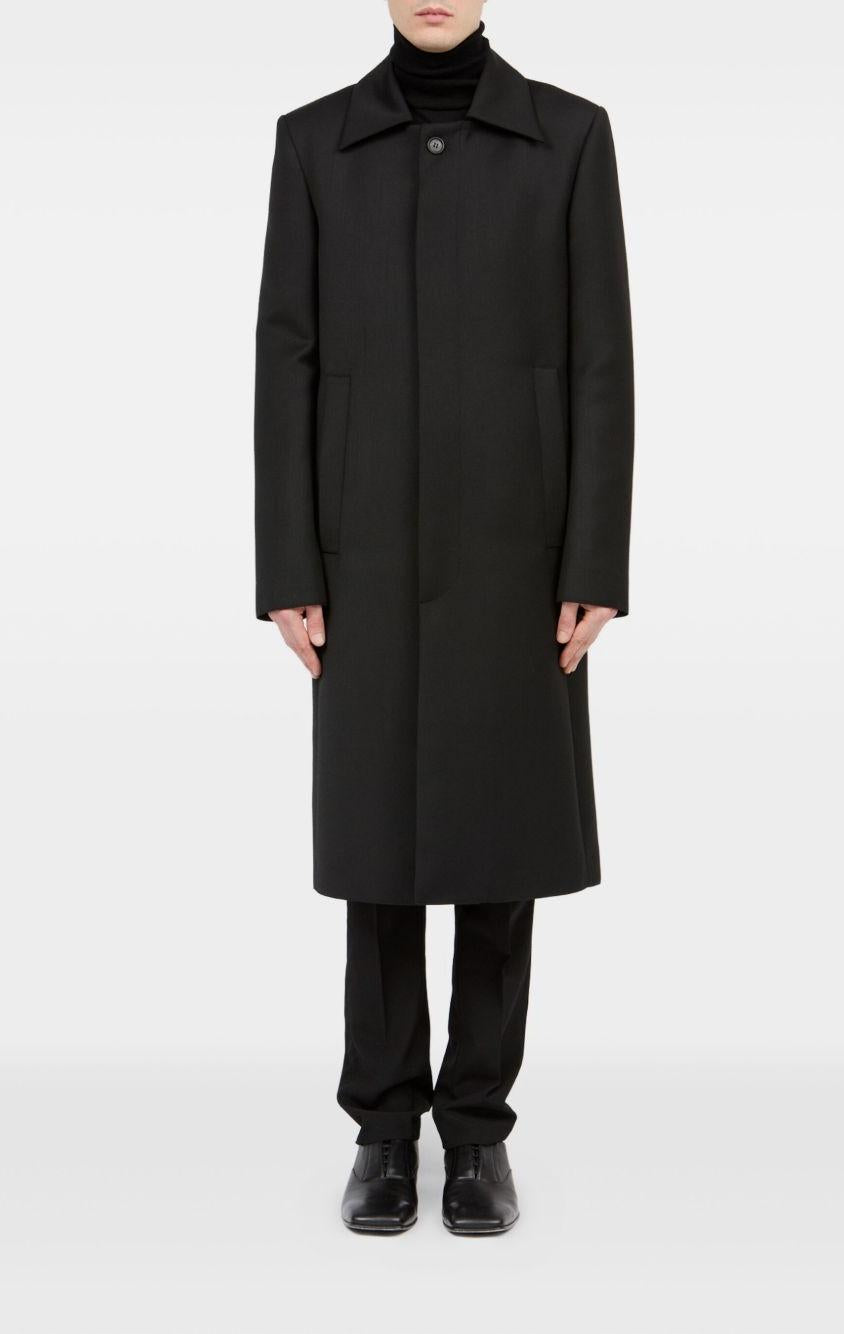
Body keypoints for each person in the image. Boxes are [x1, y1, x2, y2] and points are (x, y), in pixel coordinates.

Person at [254, 0, 633, 1235]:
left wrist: (594, 556)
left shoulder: (570, 137)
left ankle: (476, 1132)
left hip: (518, 547)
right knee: (376, 849)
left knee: (500, 844)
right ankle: (381, 1130)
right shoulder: (313, 142)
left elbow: (600, 357)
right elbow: (285, 357)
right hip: (359, 550)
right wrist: (288, 560)